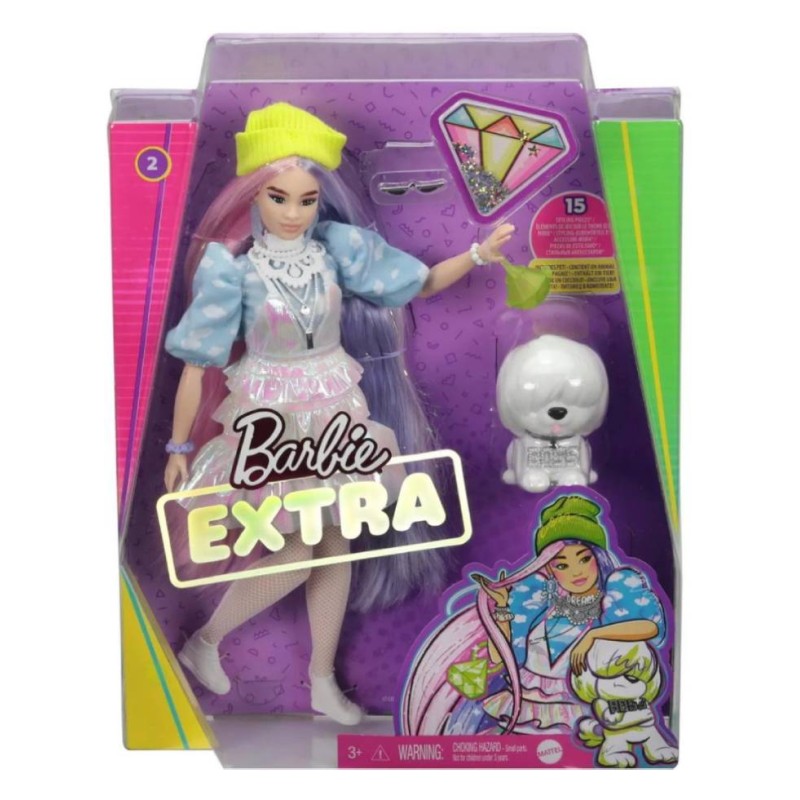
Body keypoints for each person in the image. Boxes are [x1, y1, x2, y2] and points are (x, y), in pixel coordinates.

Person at [162, 102, 514, 725]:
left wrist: (479, 255)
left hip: (334, 405)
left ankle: (321, 679)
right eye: (278, 198)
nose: (293, 213)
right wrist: (178, 447)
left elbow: (418, 284)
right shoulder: (232, 272)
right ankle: (206, 640)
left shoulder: (335, 252)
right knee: (302, 545)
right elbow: (197, 364)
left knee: (337, 540)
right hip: (271, 419)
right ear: (253, 195)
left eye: (306, 200)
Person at [400, 494, 668, 736]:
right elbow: (500, 657)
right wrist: (502, 609)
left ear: (598, 557)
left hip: (584, 716)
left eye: (584, 559)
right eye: (562, 565)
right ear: (548, 568)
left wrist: (594, 635)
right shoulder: (539, 603)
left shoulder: (614, 595)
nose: (576, 571)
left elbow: (650, 627)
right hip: (524, 712)